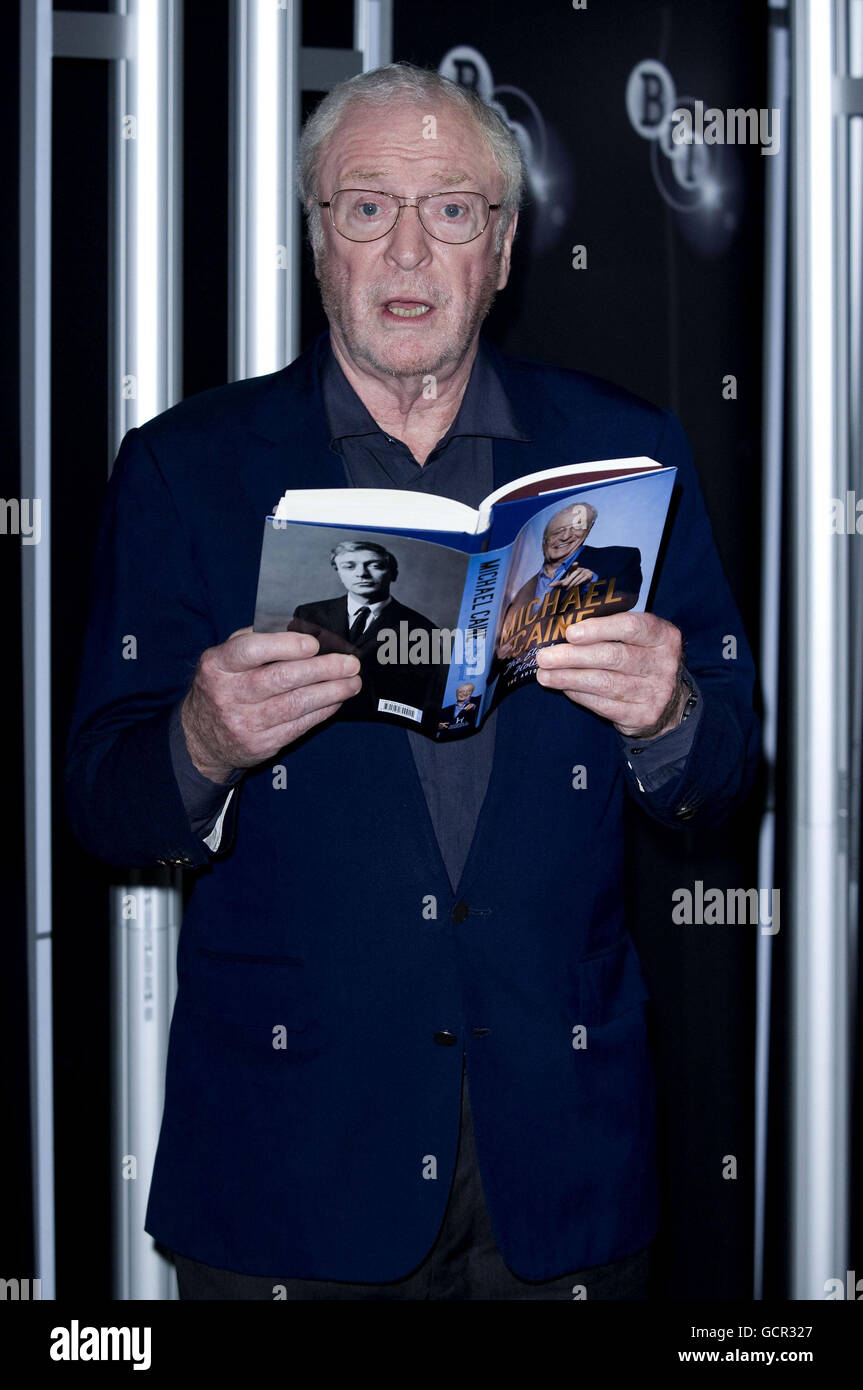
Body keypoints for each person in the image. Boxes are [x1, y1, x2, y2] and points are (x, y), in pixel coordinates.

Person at [66, 62, 759, 1300]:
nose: (406, 247)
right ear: (316, 242)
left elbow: (719, 780)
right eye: (364, 206)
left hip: (565, 1164)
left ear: (499, 251)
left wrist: (671, 714)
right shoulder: (186, 469)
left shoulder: (627, 451)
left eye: (450, 210)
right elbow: (106, 800)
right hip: (290, 1168)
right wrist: (202, 739)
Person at [291, 540, 440, 721]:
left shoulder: (423, 629)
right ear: (338, 572)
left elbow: (425, 696)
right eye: (349, 566)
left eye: (375, 566)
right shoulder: (308, 614)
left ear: (393, 573)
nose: (362, 574)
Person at [497, 502, 642, 660]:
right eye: (558, 531)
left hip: (586, 669)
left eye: (576, 528)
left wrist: (591, 581)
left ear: (587, 531)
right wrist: (498, 658)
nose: (565, 536)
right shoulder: (517, 587)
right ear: (544, 538)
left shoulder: (618, 558)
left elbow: (627, 595)